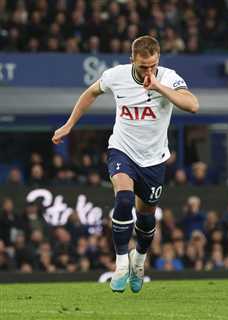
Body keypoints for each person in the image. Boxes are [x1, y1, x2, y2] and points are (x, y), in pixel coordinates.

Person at [52, 35, 199, 292]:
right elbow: (91, 92)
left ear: (158, 59)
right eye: (143, 66)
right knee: (123, 200)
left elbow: (192, 105)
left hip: (153, 160)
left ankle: (138, 261)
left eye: (153, 65)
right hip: (122, 151)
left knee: (146, 217)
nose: (149, 71)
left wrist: (158, 87)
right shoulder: (115, 76)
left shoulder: (168, 78)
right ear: (132, 60)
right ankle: (120, 263)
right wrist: (69, 125)